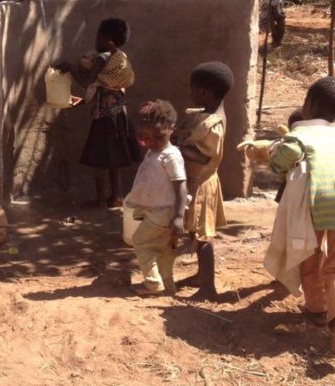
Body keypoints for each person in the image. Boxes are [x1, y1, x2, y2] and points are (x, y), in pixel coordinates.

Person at [268, 76, 335, 355]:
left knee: (310, 257)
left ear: (308, 103)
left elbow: (282, 160)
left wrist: (274, 158)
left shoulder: (300, 134)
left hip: (316, 205)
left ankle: (317, 310)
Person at [55, 17, 140, 209]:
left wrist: (70, 68)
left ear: (108, 40)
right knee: (114, 160)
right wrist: (82, 101)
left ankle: (101, 200)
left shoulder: (102, 59)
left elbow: (88, 83)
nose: (96, 40)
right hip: (118, 116)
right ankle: (117, 196)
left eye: (98, 36)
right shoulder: (121, 58)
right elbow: (105, 88)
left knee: (100, 160)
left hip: (103, 118)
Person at [175, 61, 234, 297]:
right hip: (196, 182)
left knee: (203, 236)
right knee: (195, 231)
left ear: (203, 93)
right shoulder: (209, 114)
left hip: (202, 183)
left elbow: (203, 156)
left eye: (192, 89)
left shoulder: (213, 125)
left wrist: (178, 146)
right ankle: (201, 276)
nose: (190, 94)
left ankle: (209, 286)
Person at [125, 100, 188, 296]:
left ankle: (153, 285)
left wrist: (178, 217)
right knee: (164, 250)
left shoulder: (170, 156)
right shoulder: (155, 152)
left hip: (164, 212)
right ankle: (168, 287)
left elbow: (181, 186)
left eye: (157, 136)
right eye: (144, 138)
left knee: (141, 242)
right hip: (159, 211)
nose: (151, 142)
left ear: (171, 129)